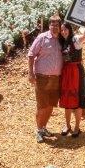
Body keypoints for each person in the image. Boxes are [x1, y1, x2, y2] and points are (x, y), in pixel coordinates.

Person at [27, 14, 64, 142]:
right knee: (42, 106)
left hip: (56, 79)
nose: (54, 27)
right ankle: (38, 130)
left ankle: (43, 128)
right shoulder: (42, 38)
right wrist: (31, 73)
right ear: (49, 25)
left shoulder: (62, 39)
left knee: (50, 105)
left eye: (57, 25)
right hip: (42, 78)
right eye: (52, 24)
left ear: (60, 26)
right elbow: (31, 55)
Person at [58, 22, 85, 137]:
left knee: (77, 100)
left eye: (66, 29)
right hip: (66, 72)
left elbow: (84, 37)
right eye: (62, 30)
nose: (64, 32)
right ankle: (67, 125)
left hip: (76, 72)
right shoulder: (62, 42)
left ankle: (77, 127)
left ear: (70, 30)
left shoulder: (75, 39)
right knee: (66, 99)